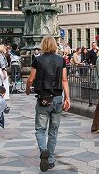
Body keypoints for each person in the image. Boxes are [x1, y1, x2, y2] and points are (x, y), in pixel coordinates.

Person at [26, 35, 71, 172]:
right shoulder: (61, 60)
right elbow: (64, 80)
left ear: (43, 45)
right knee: (53, 130)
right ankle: (50, 159)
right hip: (57, 98)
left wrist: (28, 90)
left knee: (40, 129)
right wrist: (67, 98)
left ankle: (43, 150)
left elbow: (30, 78)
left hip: (43, 98)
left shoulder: (37, 59)